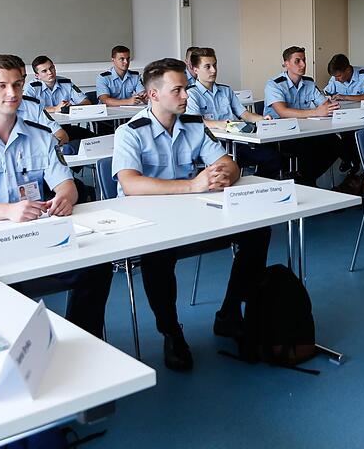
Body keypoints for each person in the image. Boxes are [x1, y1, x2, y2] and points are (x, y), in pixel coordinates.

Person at [0, 54, 112, 338]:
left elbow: (66, 184)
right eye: (1, 86)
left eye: (17, 84)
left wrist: (65, 197)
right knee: (0, 294)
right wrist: (9, 210)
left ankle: (83, 337)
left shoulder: (40, 137)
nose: (12, 93)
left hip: (37, 236)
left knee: (96, 267)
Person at [113, 58, 270, 371]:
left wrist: (225, 174)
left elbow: (228, 162)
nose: (186, 95)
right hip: (150, 220)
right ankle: (171, 332)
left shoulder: (194, 125)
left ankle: (228, 313)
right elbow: (130, 183)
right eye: (178, 90)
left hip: (194, 214)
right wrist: (192, 185)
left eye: (185, 88)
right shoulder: (130, 132)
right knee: (157, 256)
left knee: (257, 231)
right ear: (154, 95)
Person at [263, 46, 359, 192]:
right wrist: (316, 112)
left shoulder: (308, 83)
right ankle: (307, 181)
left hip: (305, 130)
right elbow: (283, 112)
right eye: (297, 61)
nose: (303, 64)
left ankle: (307, 179)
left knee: (335, 143)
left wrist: (329, 107)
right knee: (309, 148)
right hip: (280, 135)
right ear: (286, 64)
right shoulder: (275, 84)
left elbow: (324, 104)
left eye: (304, 60)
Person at [185, 46, 284, 179]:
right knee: (228, 169)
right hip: (212, 145)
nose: (213, 70)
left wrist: (262, 119)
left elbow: (245, 114)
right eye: (207, 67)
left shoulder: (226, 90)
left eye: (215, 65)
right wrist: (218, 124)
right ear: (195, 69)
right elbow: (196, 121)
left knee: (273, 158)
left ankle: (258, 185)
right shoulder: (191, 93)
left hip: (237, 143)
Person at [0, 56, 70, 147]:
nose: (12, 92)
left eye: (19, 81)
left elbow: (61, 134)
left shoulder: (33, 107)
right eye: (1, 86)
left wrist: (47, 148)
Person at [25, 55, 91, 112]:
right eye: (44, 71)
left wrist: (72, 108)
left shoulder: (66, 83)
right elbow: (27, 109)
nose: (50, 72)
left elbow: (86, 102)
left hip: (65, 124)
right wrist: (54, 109)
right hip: (41, 125)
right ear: (37, 76)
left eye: (51, 68)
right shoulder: (32, 87)